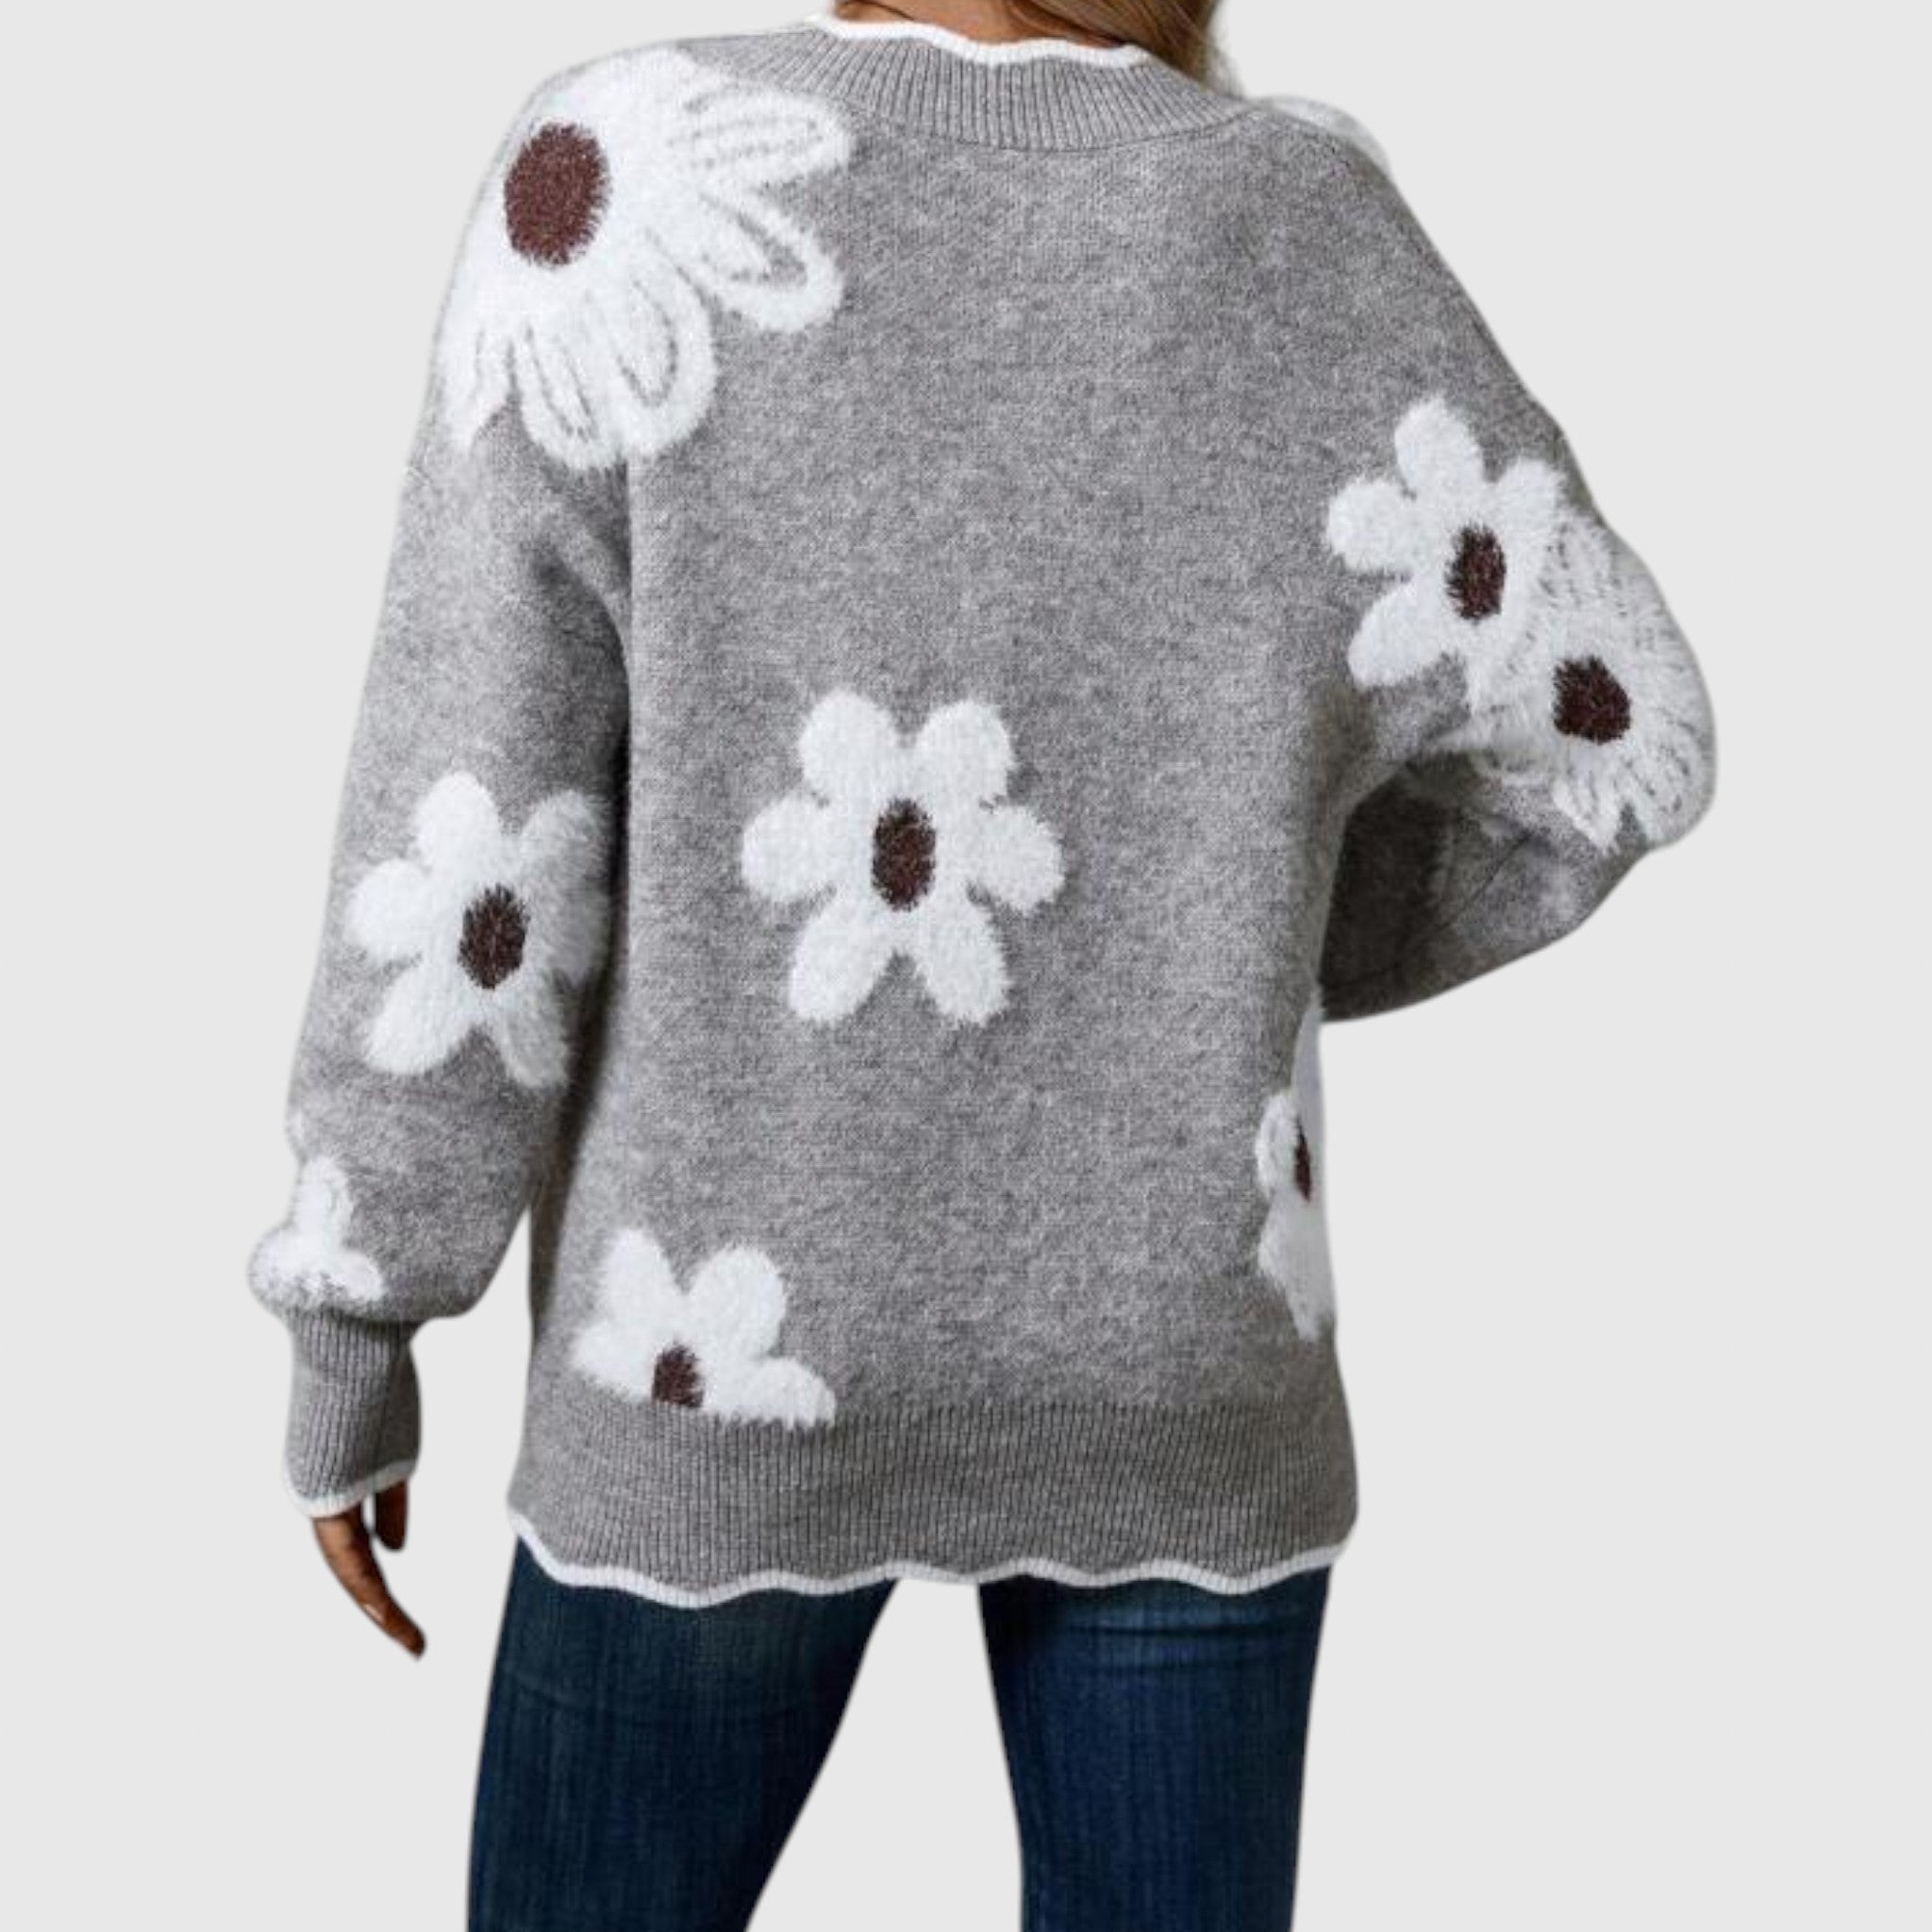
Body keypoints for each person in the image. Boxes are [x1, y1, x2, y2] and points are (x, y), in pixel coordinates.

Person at [250, 3, 1715, 1925]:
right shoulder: (1300, 223)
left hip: (707, 1360)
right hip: (1185, 1361)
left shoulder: (627, 177)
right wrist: (1214, 935)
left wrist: (357, 1313)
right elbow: (1616, 742)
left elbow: (473, 823)